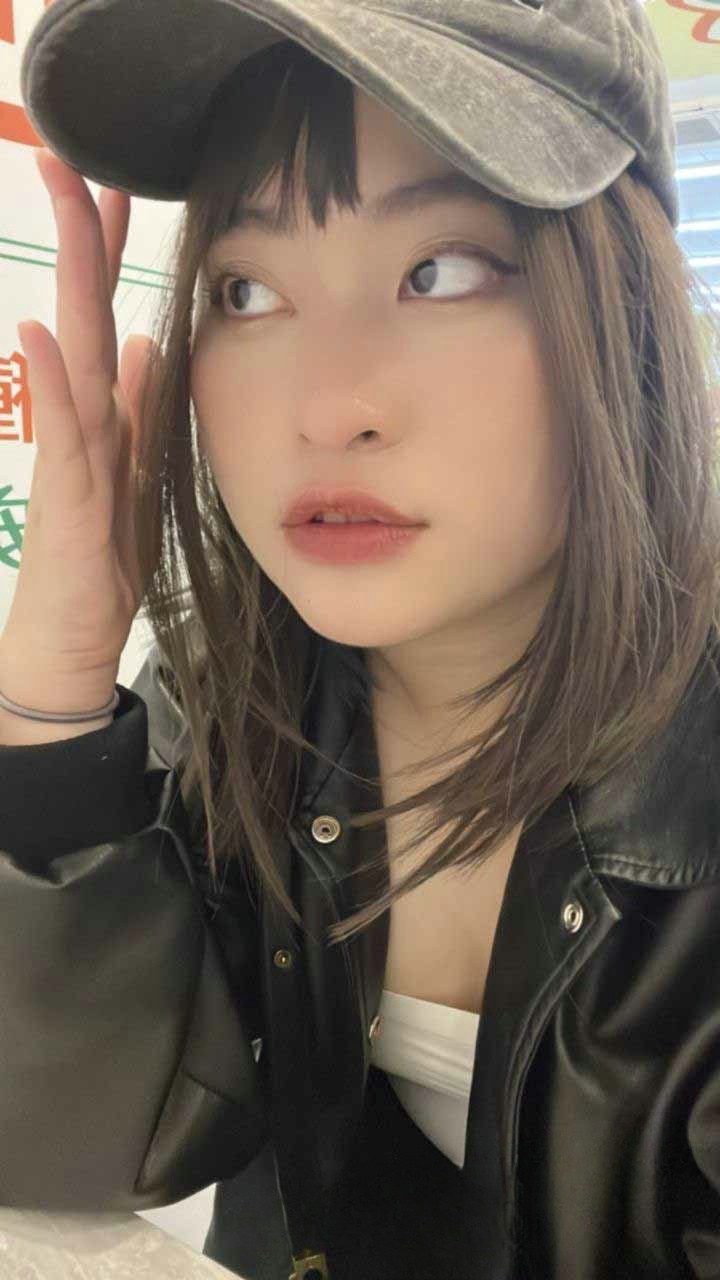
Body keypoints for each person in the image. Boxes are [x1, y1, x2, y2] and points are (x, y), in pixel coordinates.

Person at [2, 1, 720, 1277]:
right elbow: (61, 1146)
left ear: (631, 302)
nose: (328, 406)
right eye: (247, 289)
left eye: (441, 269)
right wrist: (54, 696)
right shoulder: (235, 696)